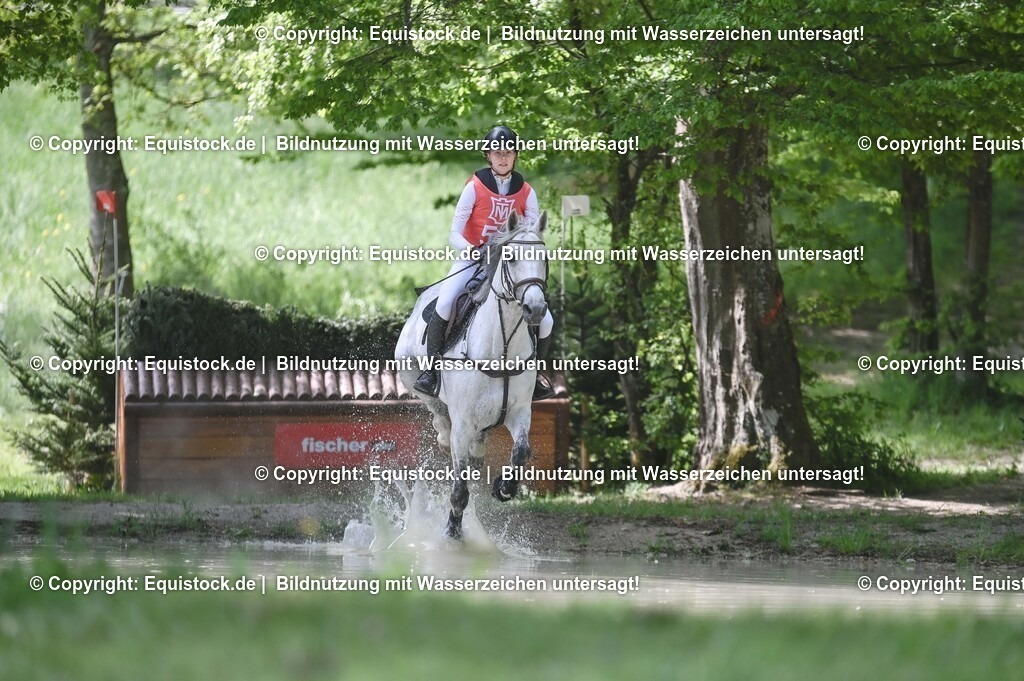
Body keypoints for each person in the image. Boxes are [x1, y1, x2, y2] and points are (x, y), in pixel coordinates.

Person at [414, 125, 555, 400]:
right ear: (488, 156)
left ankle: (535, 375)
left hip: (511, 267)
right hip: (473, 260)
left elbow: (532, 232)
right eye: (497, 153)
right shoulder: (474, 187)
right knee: (445, 303)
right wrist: (473, 250)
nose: (503, 158)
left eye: (508, 152)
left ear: (516, 156)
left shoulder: (527, 192)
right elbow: (453, 233)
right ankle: (431, 372)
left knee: (546, 319)